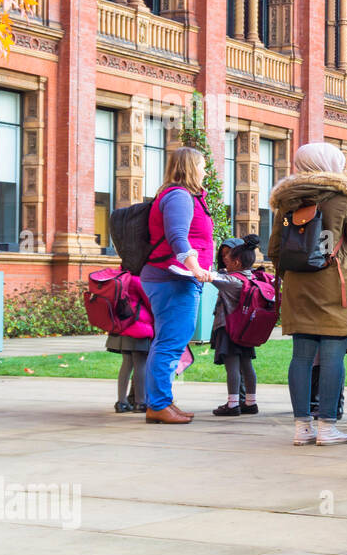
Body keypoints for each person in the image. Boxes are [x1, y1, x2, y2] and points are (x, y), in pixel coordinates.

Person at [268, 143, 347, 446]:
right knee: (332, 357)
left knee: (301, 357)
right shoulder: (343, 201)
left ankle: (302, 428)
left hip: (297, 287)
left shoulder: (286, 203)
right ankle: (328, 427)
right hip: (335, 286)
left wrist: (290, 278)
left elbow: (275, 251)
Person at [139, 147, 216, 425]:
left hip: (176, 279)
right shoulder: (179, 197)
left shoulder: (183, 196)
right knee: (170, 343)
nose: (205, 171)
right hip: (172, 278)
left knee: (170, 341)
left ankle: (163, 401)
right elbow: (178, 237)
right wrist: (195, 268)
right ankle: (158, 404)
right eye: (202, 166)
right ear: (190, 167)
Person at [210, 234, 263, 416]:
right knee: (247, 365)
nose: (224, 260)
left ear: (237, 262)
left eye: (228, 257)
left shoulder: (232, 281)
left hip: (229, 328)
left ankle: (232, 404)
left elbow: (209, 276)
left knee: (232, 366)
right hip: (246, 328)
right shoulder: (252, 277)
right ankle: (251, 402)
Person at [106, 284, 153, 414]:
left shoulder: (120, 278)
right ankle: (140, 402)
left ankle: (121, 402)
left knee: (126, 364)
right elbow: (151, 302)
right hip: (139, 326)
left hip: (122, 326)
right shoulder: (138, 281)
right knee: (140, 364)